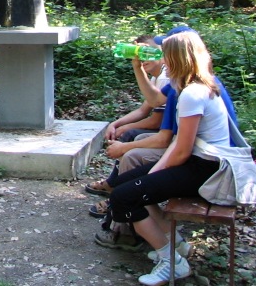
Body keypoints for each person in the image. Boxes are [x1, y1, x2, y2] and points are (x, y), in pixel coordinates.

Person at [107, 30, 231, 286]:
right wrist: (152, 176)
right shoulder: (189, 85)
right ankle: (177, 244)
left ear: (177, 58)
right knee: (123, 184)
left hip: (206, 169)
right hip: (197, 162)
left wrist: (153, 175)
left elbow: (181, 150)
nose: (162, 60)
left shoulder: (193, 94)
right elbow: (156, 104)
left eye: (165, 55)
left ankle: (171, 262)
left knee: (123, 197)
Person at [85, 35, 170, 200]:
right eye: (139, 52)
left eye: (147, 51)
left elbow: (156, 121)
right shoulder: (157, 76)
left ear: (161, 52)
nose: (143, 57)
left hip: (171, 136)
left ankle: (116, 186)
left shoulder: (165, 78)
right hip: (169, 133)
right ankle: (117, 186)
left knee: (130, 135)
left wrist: (125, 128)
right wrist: (116, 124)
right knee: (129, 134)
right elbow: (144, 110)